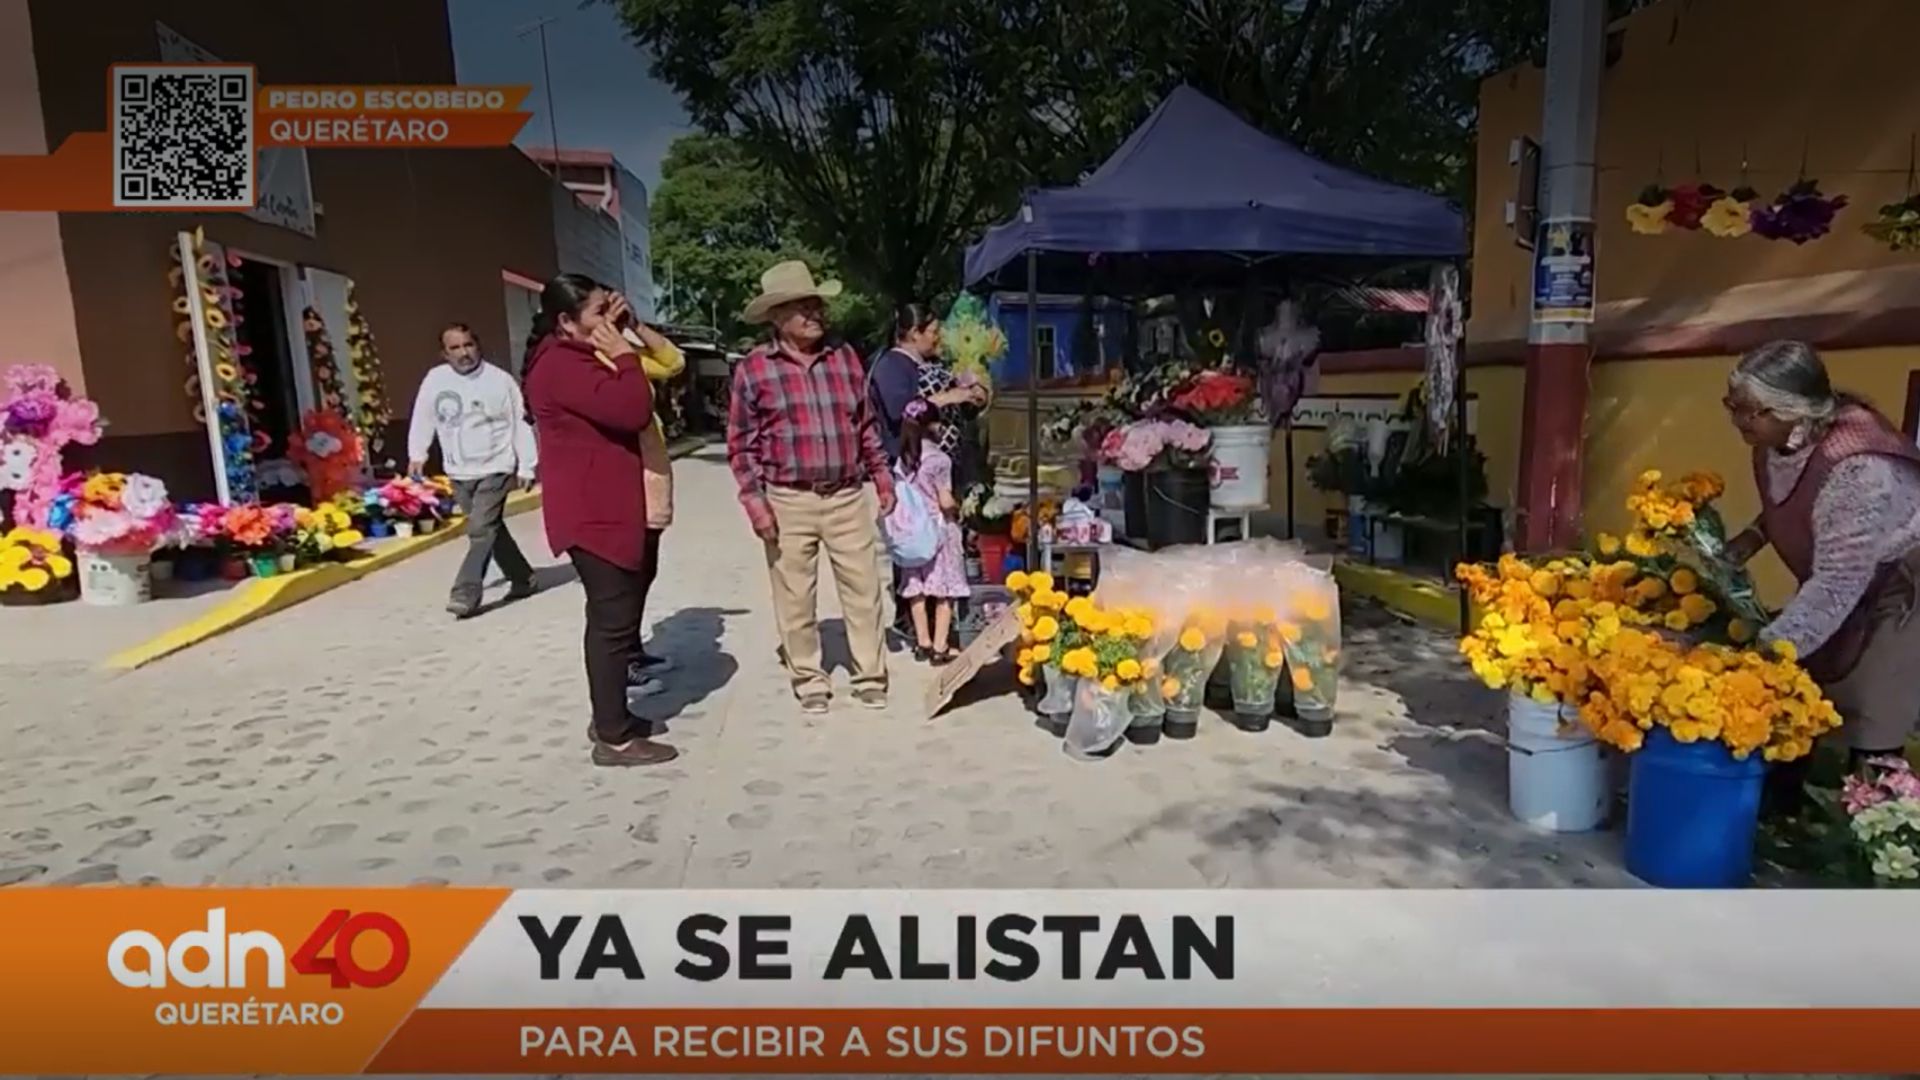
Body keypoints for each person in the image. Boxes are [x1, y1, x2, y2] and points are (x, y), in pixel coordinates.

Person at [1720, 340, 1920, 809]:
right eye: (1733, 407)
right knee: (1798, 688)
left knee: (1876, 707)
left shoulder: (1860, 471)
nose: (1739, 421)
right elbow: (1797, 499)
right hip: (1844, 576)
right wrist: (1752, 537)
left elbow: (1837, 583)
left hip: (1900, 587)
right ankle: (1778, 809)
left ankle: (1880, 832)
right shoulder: (1778, 438)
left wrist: (1765, 651)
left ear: (1796, 412)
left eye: (1751, 411)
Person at [522, 273, 677, 767]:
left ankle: (614, 716)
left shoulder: (574, 356)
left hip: (607, 506)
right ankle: (613, 737)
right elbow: (631, 409)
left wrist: (628, 334)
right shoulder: (562, 366)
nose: (607, 323)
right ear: (566, 322)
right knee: (612, 623)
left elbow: (670, 364)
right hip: (593, 513)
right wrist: (627, 357)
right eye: (597, 315)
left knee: (616, 616)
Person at [728, 260, 895, 715]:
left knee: (864, 589)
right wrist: (756, 505)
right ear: (777, 316)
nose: (816, 314)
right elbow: (740, 448)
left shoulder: (845, 358)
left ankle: (870, 674)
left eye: (818, 305)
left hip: (845, 494)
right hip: (788, 499)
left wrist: (881, 476)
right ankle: (809, 677)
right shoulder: (754, 370)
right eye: (804, 307)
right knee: (795, 595)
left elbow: (865, 427)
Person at [406, 323, 537, 618]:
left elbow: (520, 424)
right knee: (490, 529)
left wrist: (527, 464)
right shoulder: (435, 380)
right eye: (455, 348)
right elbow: (423, 416)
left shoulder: (499, 381)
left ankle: (466, 592)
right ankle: (523, 577)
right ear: (444, 353)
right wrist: (417, 453)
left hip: (496, 466)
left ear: (478, 345)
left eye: (468, 345)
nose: (463, 353)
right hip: (458, 470)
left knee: (480, 530)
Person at [628, 320, 687, 694]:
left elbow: (673, 362)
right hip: (624, 477)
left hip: (649, 473)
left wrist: (634, 326)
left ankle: (632, 647)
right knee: (626, 577)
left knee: (644, 569)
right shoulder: (594, 359)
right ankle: (623, 663)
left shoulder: (626, 355)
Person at [895, 398, 969, 663]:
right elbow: (945, 500)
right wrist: (960, 508)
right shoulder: (939, 460)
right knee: (944, 589)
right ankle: (941, 646)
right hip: (938, 529)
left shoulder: (904, 458)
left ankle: (922, 642)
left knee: (916, 586)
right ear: (933, 425)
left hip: (912, 531)